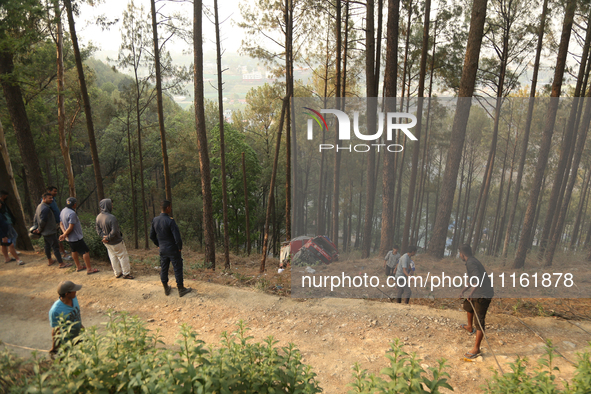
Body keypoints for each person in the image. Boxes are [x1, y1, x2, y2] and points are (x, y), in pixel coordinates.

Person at [458, 243, 494, 359]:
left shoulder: (471, 263)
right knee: (468, 306)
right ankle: (469, 326)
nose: (459, 255)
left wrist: (471, 293)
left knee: (479, 319)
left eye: (460, 253)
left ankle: (476, 348)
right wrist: (463, 291)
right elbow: (472, 280)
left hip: (483, 294)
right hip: (477, 291)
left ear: (462, 254)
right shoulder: (471, 261)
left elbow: (477, 280)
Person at [150, 200, 192, 297]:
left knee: (164, 268)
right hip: (173, 249)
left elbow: (152, 236)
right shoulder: (170, 221)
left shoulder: (155, 220)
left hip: (163, 249)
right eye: (170, 207)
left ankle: (166, 288)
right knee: (177, 268)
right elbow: (177, 237)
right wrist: (179, 247)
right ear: (168, 208)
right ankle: (181, 289)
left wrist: (158, 244)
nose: (171, 209)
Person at [59, 197, 99, 275]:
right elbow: (71, 227)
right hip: (76, 237)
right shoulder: (72, 213)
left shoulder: (63, 211)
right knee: (85, 251)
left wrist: (64, 234)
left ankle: (79, 266)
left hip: (69, 238)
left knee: (74, 250)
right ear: (74, 204)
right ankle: (89, 269)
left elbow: (61, 223)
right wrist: (65, 234)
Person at [95, 199, 134, 279]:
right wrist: (108, 237)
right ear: (107, 206)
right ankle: (126, 273)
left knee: (112, 256)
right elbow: (114, 231)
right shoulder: (112, 218)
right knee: (122, 256)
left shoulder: (98, 217)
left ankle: (117, 273)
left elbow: (98, 229)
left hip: (106, 242)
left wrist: (104, 237)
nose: (112, 206)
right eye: (111, 205)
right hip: (116, 241)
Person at [33, 192, 70, 268]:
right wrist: (39, 229)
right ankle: (61, 263)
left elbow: (35, 218)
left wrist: (37, 227)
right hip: (49, 231)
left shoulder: (39, 206)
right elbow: (43, 220)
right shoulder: (45, 208)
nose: (51, 199)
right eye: (49, 198)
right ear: (44, 199)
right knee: (55, 247)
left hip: (45, 232)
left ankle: (50, 260)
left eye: (52, 198)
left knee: (47, 246)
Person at [49, 280, 84, 356]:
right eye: (73, 291)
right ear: (67, 294)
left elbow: (76, 315)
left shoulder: (74, 298)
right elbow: (55, 330)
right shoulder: (55, 310)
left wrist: (83, 329)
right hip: (66, 341)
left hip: (78, 336)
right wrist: (54, 347)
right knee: (67, 360)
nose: (76, 291)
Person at [45, 186, 71, 260]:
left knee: (58, 237)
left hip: (57, 222)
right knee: (59, 238)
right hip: (53, 223)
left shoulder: (53, 200)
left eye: (56, 191)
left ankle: (61, 251)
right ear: (49, 191)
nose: (56, 193)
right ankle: (64, 254)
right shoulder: (47, 203)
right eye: (54, 191)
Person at [0, 195, 24, 265]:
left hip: (4, 232)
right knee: (11, 245)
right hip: (4, 233)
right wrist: (3, 236)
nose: (1, 204)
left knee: (3, 244)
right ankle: (18, 259)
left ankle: (7, 258)